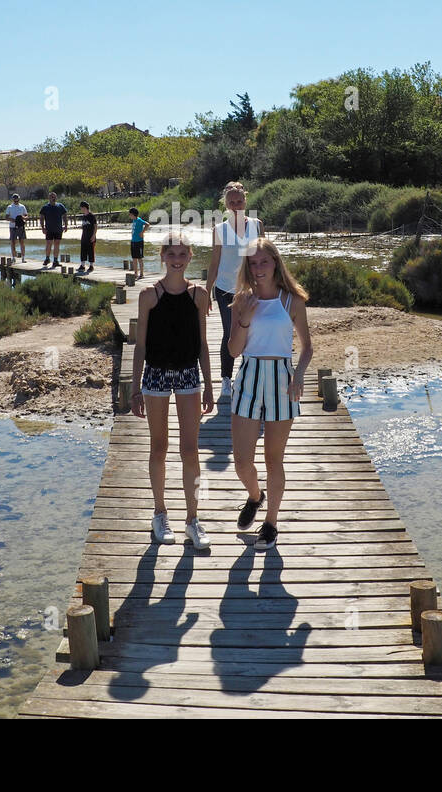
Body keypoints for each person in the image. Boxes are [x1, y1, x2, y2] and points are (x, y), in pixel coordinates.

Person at [131, 232, 215, 548]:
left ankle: (193, 520)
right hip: (155, 376)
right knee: (159, 447)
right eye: (172, 254)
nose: (177, 260)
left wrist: (209, 385)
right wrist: (137, 389)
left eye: (182, 254)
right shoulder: (149, 295)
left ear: (190, 257)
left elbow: (204, 344)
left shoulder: (199, 295)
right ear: (163, 256)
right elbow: (140, 346)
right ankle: (159, 513)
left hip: (189, 376)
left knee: (190, 450)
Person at [228, 237, 311, 551]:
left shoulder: (293, 301)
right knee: (241, 462)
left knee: (274, 459)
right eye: (252, 262)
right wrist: (245, 318)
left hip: (281, 380)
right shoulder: (242, 300)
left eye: (264, 261)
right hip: (249, 376)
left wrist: (299, 376)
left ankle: (271, 524)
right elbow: (234, 351)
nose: (258, 268)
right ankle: (254, 495)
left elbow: (307, 348)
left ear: (276, 262)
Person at [205, 182, 263, 400]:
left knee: (252, 333)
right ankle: (226, 380)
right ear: (226, 204)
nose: (236, 205)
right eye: (232, 202)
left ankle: (246, 377)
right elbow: (214, 263)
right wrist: (207, 291)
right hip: (225, 290)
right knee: (230, 333)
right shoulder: (219, 230)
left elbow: (265, 259)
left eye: (239, 201)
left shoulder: (257, 225)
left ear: (245, 201)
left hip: (252, 290)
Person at [39, 191, 67, 268]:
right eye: (51, 196)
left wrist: (66, 225)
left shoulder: (60, 206)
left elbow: (64, 215)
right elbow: (41, 218)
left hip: (58, 228)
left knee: (57, 244)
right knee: (49, 243)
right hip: (49, 229)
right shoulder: (45, 207)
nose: (53, 198)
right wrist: (42, 228)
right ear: (49, 198)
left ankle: (55, 260)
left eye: (54, 196)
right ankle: (47, 258)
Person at [4, 193, 27, 260]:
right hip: (12, 227)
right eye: (15, 200)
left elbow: (26, 215)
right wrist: (13, 220)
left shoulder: (22, 206)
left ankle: (23, 257)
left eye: (17, 200)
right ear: (13, 200)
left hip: (21, 226)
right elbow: (6, 217)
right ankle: (14, 257)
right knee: (13, 242)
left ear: (19, 199)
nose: (16, 201)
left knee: (22, 241)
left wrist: (22, 218)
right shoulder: (9, 207)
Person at [76, 201, 96, 274]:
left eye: (81, 208)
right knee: (83, 251)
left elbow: (95, 226)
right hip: (84, 236)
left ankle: (91, 266)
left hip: (91, 237)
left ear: (85, 208)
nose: (81, 209)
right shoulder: (84, 216)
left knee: (91, 251)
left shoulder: (91, 216)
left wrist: (94, 236)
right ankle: (82, 265)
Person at [128, 206, 148, 279]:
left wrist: (142, 232)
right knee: (134, 258)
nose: (129, 216)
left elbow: (147, 224)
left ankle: (141, 274)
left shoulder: (139, 220)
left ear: (133, 214)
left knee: (140, 258)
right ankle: (135, 273)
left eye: (130, 214)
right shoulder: (134, 221)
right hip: (133, 241)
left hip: (139, 242)